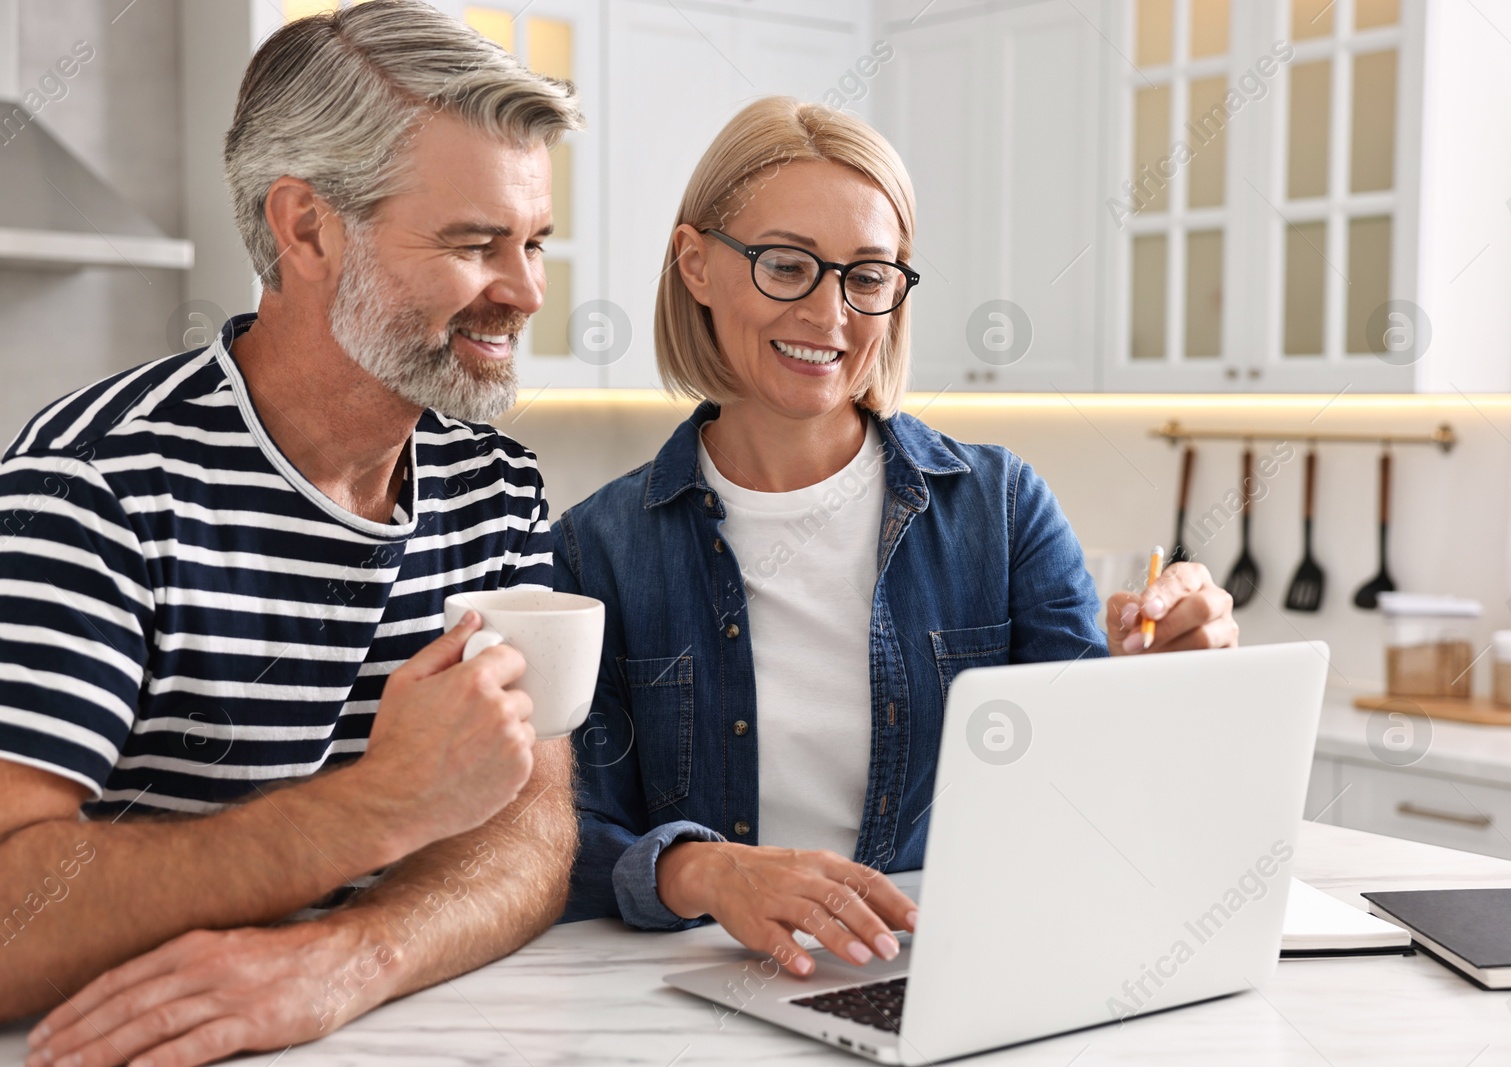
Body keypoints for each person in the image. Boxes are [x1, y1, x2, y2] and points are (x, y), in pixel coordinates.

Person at [2, 3, 580, 1064]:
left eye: (533, 241)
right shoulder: (95, 487)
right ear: (307, 228)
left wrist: (350, 956)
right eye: (473, 242)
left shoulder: (491, 479)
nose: (526, 290)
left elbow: (530, 825)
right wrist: (377, 807)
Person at [554, 96, 1240, 977]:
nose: (830, 314)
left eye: (868, 275)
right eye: (787, 265)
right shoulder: (596, 549)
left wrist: (1164, 685)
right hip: (693, 987)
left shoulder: (1000, 508)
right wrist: (708, 870)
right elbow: (562, 837)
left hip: (947, 974)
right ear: (695, 264)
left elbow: (1093, 801)